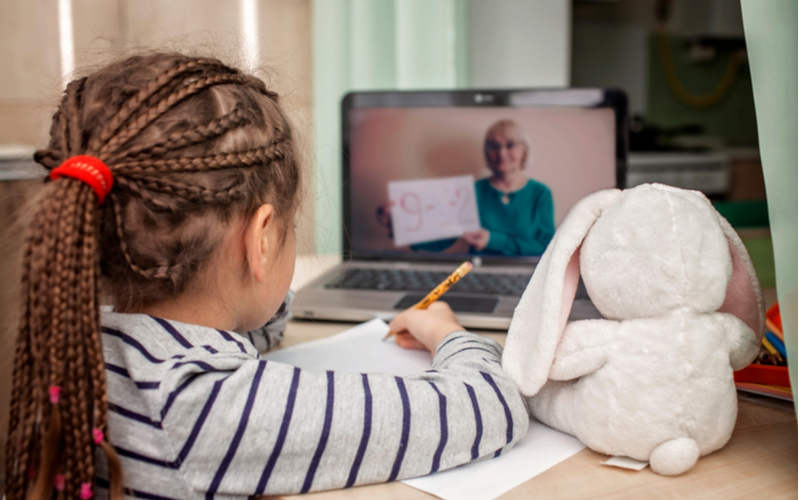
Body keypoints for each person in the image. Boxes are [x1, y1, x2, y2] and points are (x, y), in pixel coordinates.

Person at [6, 54, 529, 499]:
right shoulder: (208, 406)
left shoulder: (76, 339)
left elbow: (258, 328)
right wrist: (445, 331)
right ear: (260, 240)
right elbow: (492, 404)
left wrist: (252, 294)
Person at [378, 119, 555, 256]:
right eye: (493, 146)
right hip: (477, 272)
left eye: (510, 145)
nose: (501, 153)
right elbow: (442, 240)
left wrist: (493, 240)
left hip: (528, 275)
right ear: (487, 152)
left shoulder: (540, 193)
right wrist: (399, 224)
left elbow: (547, 248)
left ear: (524, 151)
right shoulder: (470, 191)